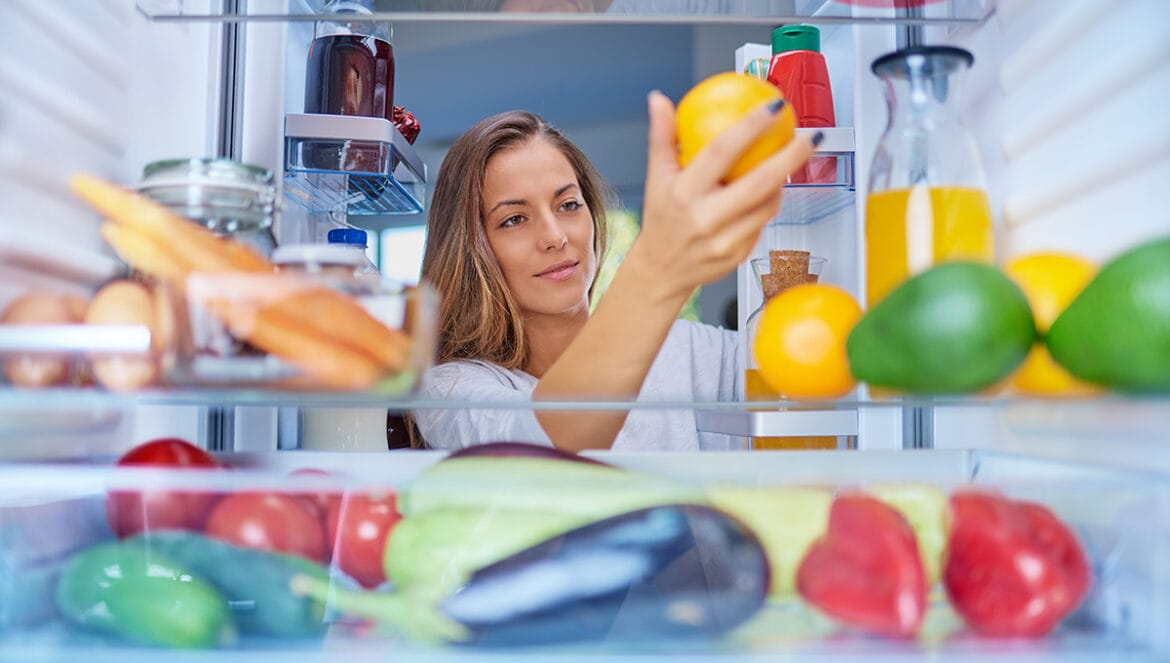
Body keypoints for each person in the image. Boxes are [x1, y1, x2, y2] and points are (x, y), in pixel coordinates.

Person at [411, 91, 819, 452]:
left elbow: (811, 369)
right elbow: (550, 445)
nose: (554, 237)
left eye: (568, 205)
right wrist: (656, 267)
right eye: (515, 219)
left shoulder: (682, 350)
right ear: (470, 246)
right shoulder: (450, 389)